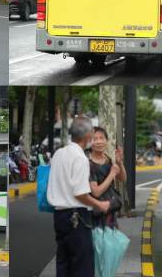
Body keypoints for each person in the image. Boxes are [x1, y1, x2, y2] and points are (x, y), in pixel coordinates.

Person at [47, 117, 110, 277]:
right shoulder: (80, 158)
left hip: (59, 215)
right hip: (77, 217)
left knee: (64, 262)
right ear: (88, 135)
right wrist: (99, 205)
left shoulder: (59, 154)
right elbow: (80, 193)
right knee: (82, 265)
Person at [88, 127, 126, 229]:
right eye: (95, 139)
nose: (99, 142)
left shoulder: (107, 159)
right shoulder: (88, 163)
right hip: (96, 211)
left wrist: (119, 162)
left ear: (107, 141)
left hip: (110, 210)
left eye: (101, 138)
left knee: (111, 243)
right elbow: (96, 192)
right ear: (89, 142)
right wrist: (112, 174)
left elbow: (122, 179)